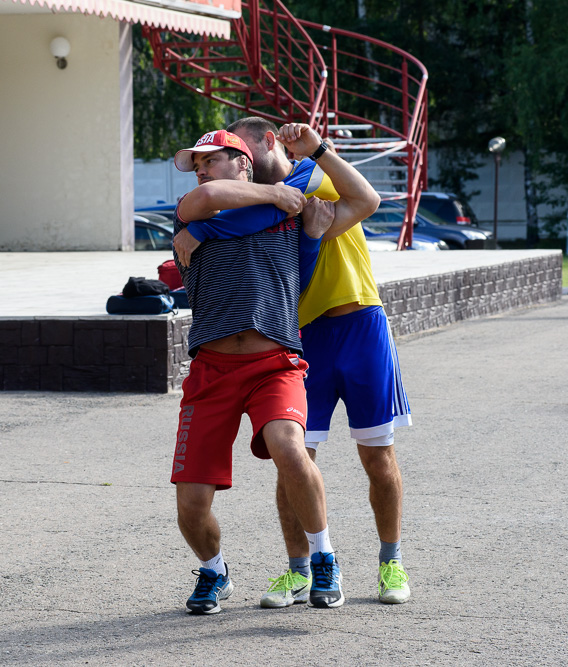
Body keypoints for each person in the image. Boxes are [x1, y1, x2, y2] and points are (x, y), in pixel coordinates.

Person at [169, 127, 377, 615]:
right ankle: (215, 571)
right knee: (190, 506)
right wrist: (283, 194)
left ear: (244, 160)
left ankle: (324, 558)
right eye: (195, 164)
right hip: (212, 369)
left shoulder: (295, 221)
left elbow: (364, 200)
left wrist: (317, 157)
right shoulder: (194, 220)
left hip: (273, 362)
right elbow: (210, 195)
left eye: (211, 159)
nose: (201, 169)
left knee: (289, 446)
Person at [224, 117, 414, 607]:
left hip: (361, 326)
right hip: (303, 339)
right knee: (293, 461)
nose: (240, 164)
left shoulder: (315, 177)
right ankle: (298, 570)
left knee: (377, 456)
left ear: (268, 141)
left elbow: (368, 200)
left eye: (244, 151)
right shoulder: (256, 205)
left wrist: (319, 148)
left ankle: (391, 562)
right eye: (233, 159)